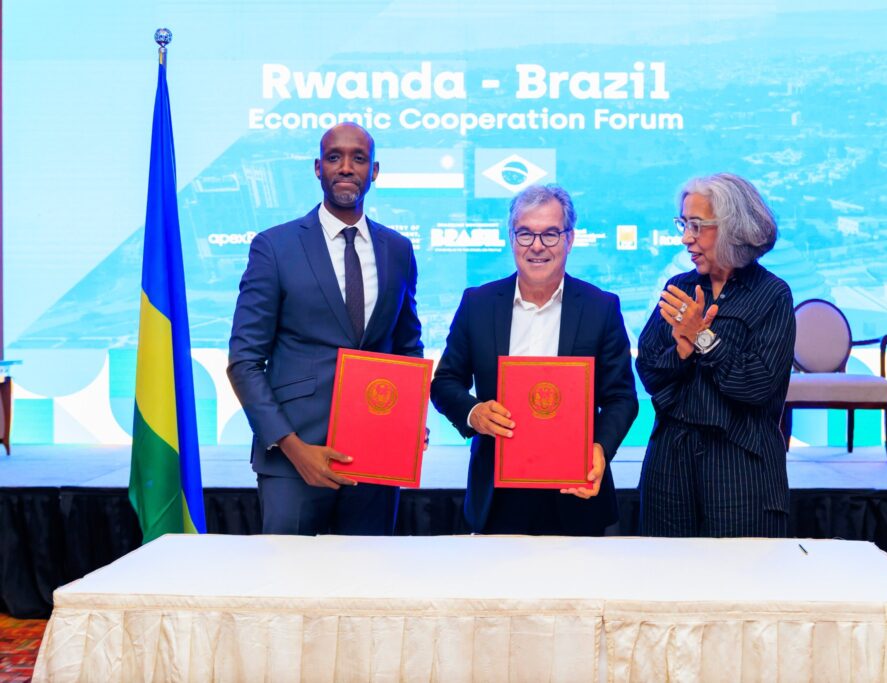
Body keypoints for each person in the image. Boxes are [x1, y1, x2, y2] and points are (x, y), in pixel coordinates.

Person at [227, 123, 423, 535]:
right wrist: (293, 447)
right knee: (289, 575)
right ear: (318, 168)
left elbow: (407, 348)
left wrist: (407, 415)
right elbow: (244, 361)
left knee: (369, 574)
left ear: (375, 171)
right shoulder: (274, 247)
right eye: (335, 157)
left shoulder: (398, 250)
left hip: (375, 459)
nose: (346, 167)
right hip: (293, 460)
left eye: (359, 158)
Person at [431, 184, 638, 535]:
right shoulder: (478, 304)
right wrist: (473, 412)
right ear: (512, 238)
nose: (537, 246)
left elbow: (621, 397)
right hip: (497, 495)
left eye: (550, 234)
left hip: (576, 492)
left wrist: (600, 448)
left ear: (569, 240)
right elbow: (445, 382)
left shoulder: (601, 308)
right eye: (525, 233)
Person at [636, 173, 795, 538]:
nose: (685, 238)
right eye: (683, 224)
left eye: (696, 226)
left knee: (739, 571)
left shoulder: (773, 295)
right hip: (670, 462)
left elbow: (757, 385)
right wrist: (680, 352)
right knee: (665, 568)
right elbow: (648, 370)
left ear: (733, 228)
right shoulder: (679, 287)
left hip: (739, 465)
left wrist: (702, 338)